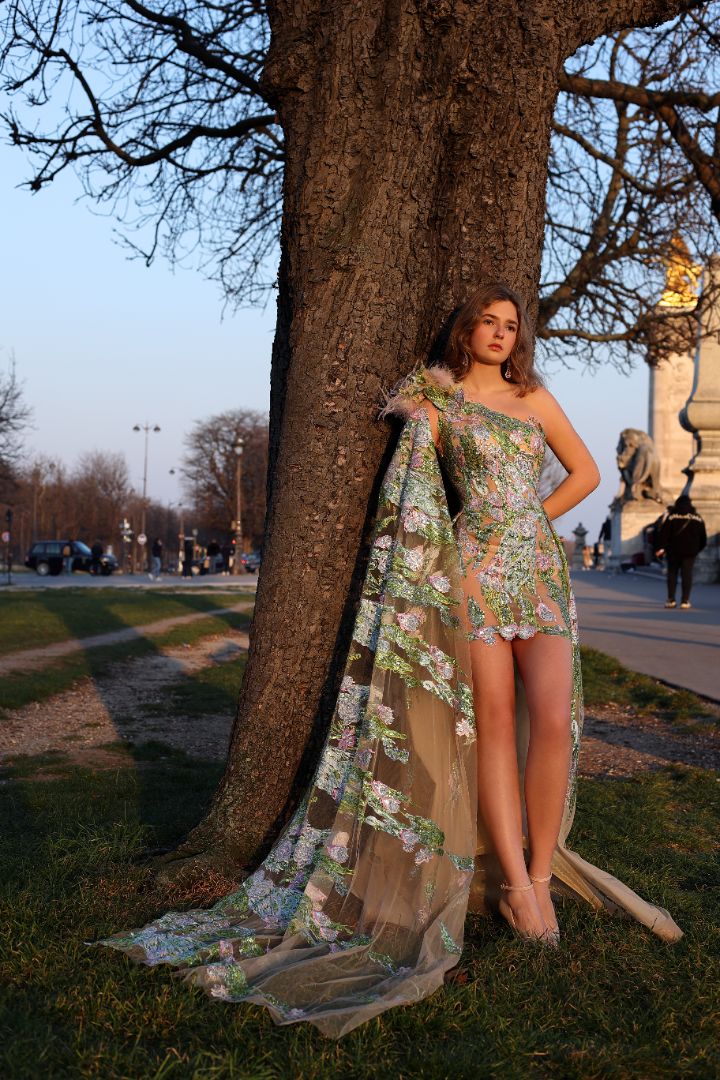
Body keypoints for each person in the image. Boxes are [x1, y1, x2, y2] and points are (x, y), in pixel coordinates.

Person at [98, 283, 682, 1037]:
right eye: (488, 323)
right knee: (492, 723)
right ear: (466, 330)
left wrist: (527, 523)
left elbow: (586, 475)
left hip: (536, 568)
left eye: (511, 326)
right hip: (472, 573)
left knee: (552, 723)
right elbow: (415, 493)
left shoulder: (534, 397)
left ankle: (541, 870)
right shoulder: (436, 402)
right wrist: (457, 540)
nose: (500, 334)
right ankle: (519, 889)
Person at [655, 494, 707, 609]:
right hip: (690, 553)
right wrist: (696, 550)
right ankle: (685, 601)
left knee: (672, 575)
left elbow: (663, 535)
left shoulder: (671, 517)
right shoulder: (697, 518)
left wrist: (660, 548)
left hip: (673, 551)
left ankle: (671, 600)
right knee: (687, 575)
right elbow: (703, 538)